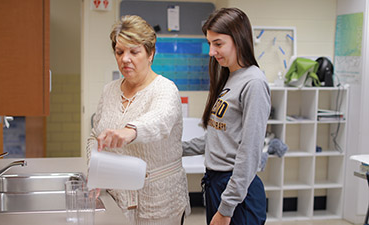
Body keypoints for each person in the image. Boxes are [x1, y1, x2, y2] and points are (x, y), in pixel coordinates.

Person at [86, 15, 190, 225]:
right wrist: (94, 170)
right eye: (119, 52)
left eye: (134, 52)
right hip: (117, 198)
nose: (125, 58)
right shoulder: (109, 91)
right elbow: (94, 136)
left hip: (160, 202)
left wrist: (131, 131)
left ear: (150, 53)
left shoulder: (165, 89)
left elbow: (160, 120)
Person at [182, 8, 270, 225]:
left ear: (238, 39)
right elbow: (219, 137)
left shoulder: (254, 83)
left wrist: (226, 208)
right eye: (210, 44)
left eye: (218, 43)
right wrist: (176, 149)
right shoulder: (231, 78)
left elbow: (249, 152)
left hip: (237, 191)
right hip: (217, 184)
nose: (212, 51)